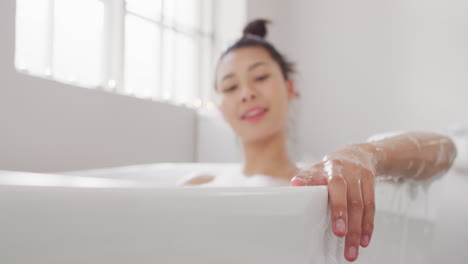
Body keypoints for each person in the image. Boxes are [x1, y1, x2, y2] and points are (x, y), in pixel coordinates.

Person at [181, 19, 457, 262]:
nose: (246, 93)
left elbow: (445, 150)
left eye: (260, 77)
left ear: (289, 88)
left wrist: (367, 154)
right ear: (221, 110)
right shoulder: (196, 186)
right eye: (231, 87)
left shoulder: (326, 181)